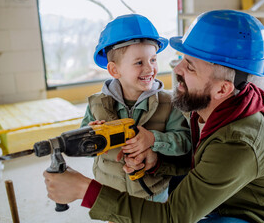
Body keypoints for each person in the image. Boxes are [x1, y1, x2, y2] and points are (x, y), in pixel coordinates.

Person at [44, 10, 264, 223]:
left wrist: (84, 190)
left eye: (189, 66)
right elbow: (197, 163)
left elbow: (172, 218)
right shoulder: (209, 108)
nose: (175, 68)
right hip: (233, 197)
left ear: (222, 89)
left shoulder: (237, 142)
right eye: (181, 58)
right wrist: (156, 162)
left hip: (261, 216)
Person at [80, 14, 191, 203]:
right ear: (115, 70)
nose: (149, 69)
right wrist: (92, 137)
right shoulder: (97, 104)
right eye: (139, 62)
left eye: (153, 60)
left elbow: (185, 143)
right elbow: (83, 146)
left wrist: (154, 139)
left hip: (152, 194)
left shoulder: (169, 103)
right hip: (110, 194)